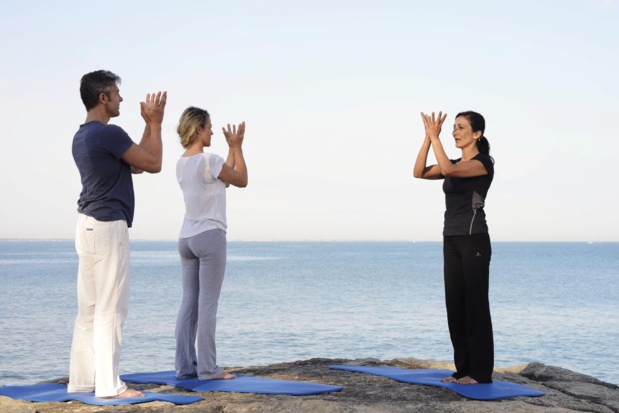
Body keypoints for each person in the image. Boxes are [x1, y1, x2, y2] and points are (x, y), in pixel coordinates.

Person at [68, 70, 167, 398]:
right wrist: (157, 122)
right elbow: (153, 164)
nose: (121, 98)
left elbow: (135, 162)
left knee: (90, 310)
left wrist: (147, 125)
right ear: (103, 98)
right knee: (111, 307)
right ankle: (110, 386)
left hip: (87, 225)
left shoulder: (84, 136)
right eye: (116, 93)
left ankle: (82, 382)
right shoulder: (108, 134)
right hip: (109, 227)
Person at [413, 110, 495, 384]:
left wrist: (435, 137)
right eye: (454, 129)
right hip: (451, 240)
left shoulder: (483, 163)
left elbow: (447, 169)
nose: (455, 132)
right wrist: (428, 139)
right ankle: (463, 370)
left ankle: (480, 372)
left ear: (477, 134)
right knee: (456, 306)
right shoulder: (455, 161)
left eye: (461, 128)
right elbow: (419, 173)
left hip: (474, 239)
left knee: (475, 305)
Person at [174, 106, 248, 381]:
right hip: (210, 237)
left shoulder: (182, 163)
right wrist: (238, 148)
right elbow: (240, 179)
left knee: (189, 303)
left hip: (186, 238)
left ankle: (184, 367)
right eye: (209, 127)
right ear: (199, 129)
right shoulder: (210, 160)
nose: (212, 131)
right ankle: (207, 369)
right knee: (207, 304)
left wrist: (229, 150)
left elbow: (221, 178)